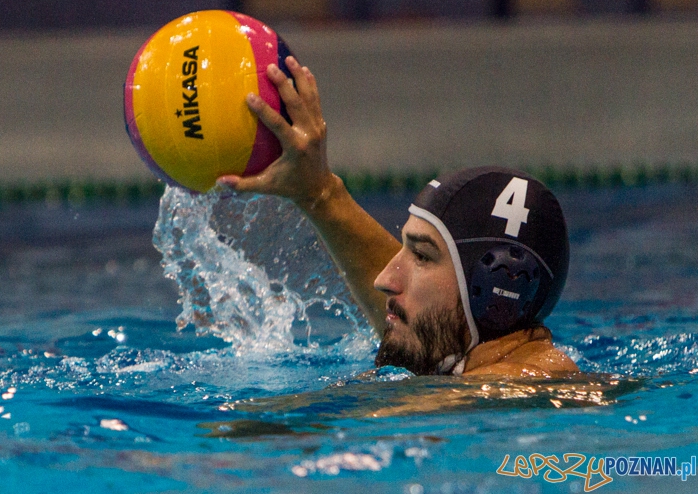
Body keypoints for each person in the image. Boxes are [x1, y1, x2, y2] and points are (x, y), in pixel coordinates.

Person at [218, 56, 578, 378]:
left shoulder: (528, 384)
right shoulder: (465, 356)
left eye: (422, 255)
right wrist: (318, 192)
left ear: (498, 288)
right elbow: (430, 315)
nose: (384, 280)